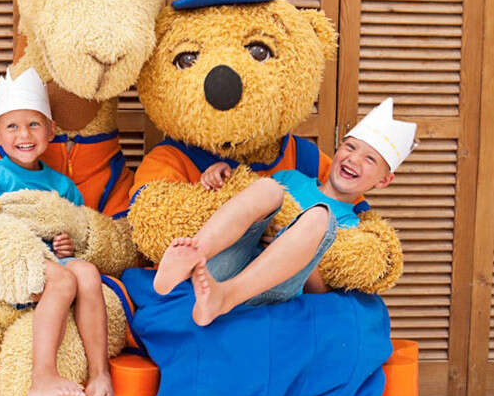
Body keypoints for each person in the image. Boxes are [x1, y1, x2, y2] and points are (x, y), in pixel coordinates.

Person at [0, 67, 115, 396]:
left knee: (87, 273)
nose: (24, 134)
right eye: (12, 126)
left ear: (50, 130)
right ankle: (42, 376)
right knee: (62, 280)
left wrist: (67, 245)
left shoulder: (62, 185)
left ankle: (99, 373)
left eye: (34, 124)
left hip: (48, 261)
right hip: (10, 266)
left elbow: (73, 227)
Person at [153, 98, 416, 326]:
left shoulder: (352, 227)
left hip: (270, 287)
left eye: (370, 159)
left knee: (319, 216)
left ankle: (225, 297)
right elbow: (245, 201)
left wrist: (298, 246)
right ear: (338, 149)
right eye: (350, 147)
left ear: (383, 180)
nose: (354, 159)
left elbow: (321, 294)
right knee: (268, 188)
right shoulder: (291, 178)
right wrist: (222, 173)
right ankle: (194, 254)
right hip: (228, 263)